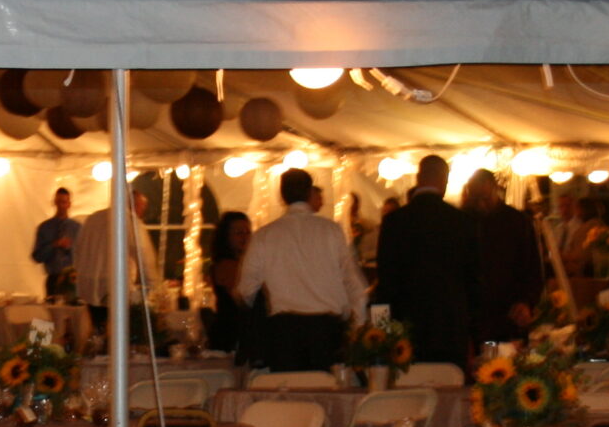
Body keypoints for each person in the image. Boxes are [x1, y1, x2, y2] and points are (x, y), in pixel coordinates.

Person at [236, 168, 366, 371]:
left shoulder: (264, 235)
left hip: (285, 335)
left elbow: (246, 291)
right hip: (327, 332)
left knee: (290, 397)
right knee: (329, 395)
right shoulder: (332, 231)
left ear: (281, 195)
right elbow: (354, 284)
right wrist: (357, 325)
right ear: (309, 193)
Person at [371, 154, 478, 367]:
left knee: (408, 393)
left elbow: (386, 279)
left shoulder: (394, 222)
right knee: (450, 388)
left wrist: (384, 328)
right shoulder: (462, 222)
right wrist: (471, 329)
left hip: (406, 326)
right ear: (445, 180)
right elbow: (473, 280)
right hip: (450, 327)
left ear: (418, 178)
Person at [462, 170, 543, 346]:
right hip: (472, 316)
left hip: (508, 313)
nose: (481, 205)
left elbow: (532, 268)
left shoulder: (517, 221)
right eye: (476, 199)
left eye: (485, 198)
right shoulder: (463, 221)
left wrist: (526, 301)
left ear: (495, 189)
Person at [75, 190, 157, 336]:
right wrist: (153, 286)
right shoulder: (130, 221)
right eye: (141, 207)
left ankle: (98, 354)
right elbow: (144, 256)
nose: (141, 212)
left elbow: (78, 250)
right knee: (119, 332)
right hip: (115, 285)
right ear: (134, 204)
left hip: (89, 284)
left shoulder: (93, 218)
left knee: (97, 329)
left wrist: (81, 276)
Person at [202, 210, 256, 359]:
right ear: (226, 237)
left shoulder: (242, 262)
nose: (245, 237)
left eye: (247, 232)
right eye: (239, 233)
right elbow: (242, 297)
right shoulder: (227, 265)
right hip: (231, 333)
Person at [31, 187, 79, 300]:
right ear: (54, 203)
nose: (61, 206)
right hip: (53, 278)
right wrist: (54, 244)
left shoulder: (77, 228)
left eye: (64, 202)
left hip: (73, 280)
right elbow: (37, 257)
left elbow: (85, 256)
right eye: (58, 202)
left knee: (73, 314)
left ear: (69, 204)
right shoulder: (44, 228)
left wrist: (70, 248)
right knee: (52, 314)